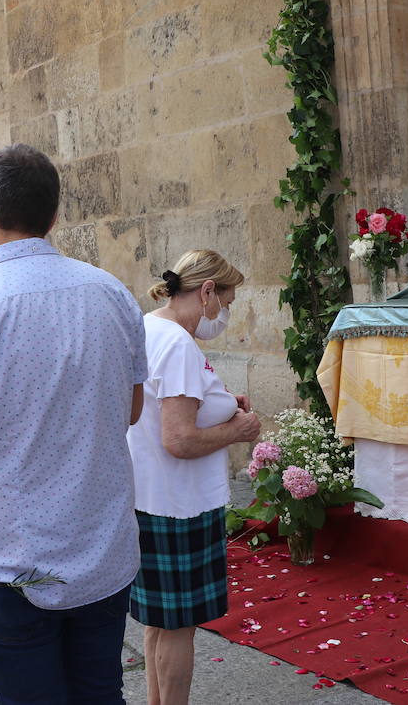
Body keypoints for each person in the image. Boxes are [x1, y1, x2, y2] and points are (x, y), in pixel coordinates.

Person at [0, 144, 147, 705]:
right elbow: (131, 409)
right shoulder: (112, 293)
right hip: (100, 551)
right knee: (100, 694)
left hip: (11, 563)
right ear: (53, 214)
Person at [128, 250, 262, 705]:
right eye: (227, 301)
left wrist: (221, 402)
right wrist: (236, 429)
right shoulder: (179, 343)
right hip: (178, 503)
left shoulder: (150, 326)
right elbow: (179, 439)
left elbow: (170, 408)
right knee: (178, 626)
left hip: (149, 495)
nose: (226, 312)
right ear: (207, 292)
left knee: (159, 625)